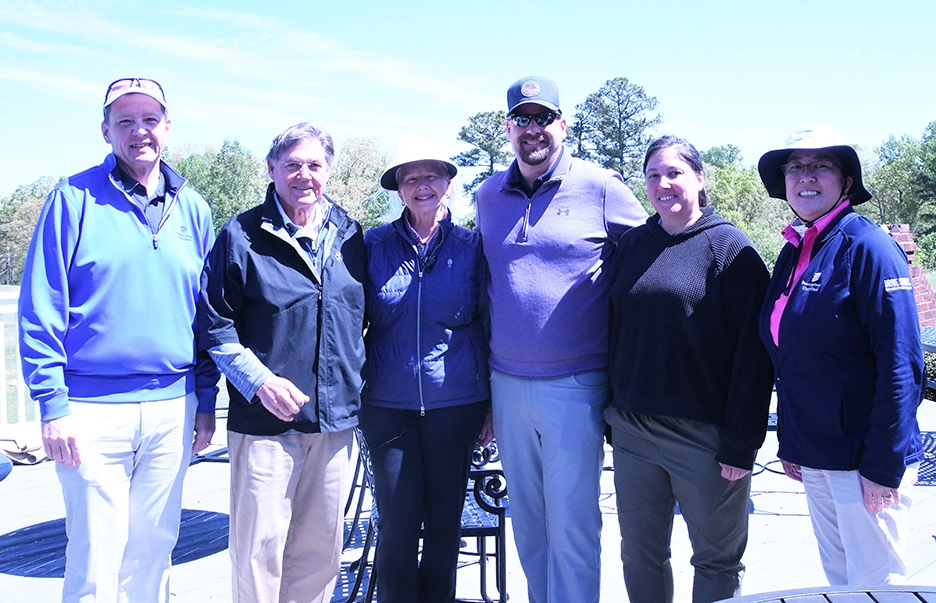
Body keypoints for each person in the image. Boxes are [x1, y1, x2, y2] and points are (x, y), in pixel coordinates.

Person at [18, 78, 218, 602]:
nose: (139, 131)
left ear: (167, 128)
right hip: (88, 409)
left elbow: (206, 313)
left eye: (149, 119)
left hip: (173, 405)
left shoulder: (193, 207)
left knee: (154, 548)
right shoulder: (72, 197)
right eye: (124, 121)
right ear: (105, 131)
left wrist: (205, 399)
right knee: (95, 554)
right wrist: (51, 404)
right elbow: (41, 306)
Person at [475, 75, 648, 603]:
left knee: (571, 521)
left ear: (562, 125)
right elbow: (484, 286)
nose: (534, 130)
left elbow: (651, 256)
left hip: (576, 384)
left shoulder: (600, 186)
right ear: (508, 128)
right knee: (527, 521)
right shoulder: (486, 194)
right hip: (506, 384)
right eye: (522, 119)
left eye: (544, 118)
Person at [198, 122, 366, 603]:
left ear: (329, 171)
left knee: (321, 555)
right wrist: (260, 382)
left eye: (314, 165)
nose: (303, 175)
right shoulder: (241, 235)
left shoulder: (351, 235)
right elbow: (215, 328)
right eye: (292, 165)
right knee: (258, 554)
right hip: (263, 427)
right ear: (271, 169)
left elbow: (366, 321)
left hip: (334, 428)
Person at [605, 136, 774, 603]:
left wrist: (743, 443)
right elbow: (616, 331)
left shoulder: (730, 250)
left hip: (706, 438)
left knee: (716, 561)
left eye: (675, 173)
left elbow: (754, 356)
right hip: (633, 430)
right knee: (640, 555)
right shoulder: (633, 245)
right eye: (654, 175)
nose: (663, 184)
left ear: (700, 178)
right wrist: (611, 416)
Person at [757, 126, 925, 586]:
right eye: (795, 167)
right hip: (817, 456)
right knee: (840, 583)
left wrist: (883, 468)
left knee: (877, 588)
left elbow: (902, 365)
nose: (805, 177)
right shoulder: (796, 250)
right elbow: (792, 357)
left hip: (864, 462)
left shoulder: (868, 247)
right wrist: (793, 442)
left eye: (821, 166)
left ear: (847, 181)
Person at [359, 140, 493, 603]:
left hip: (456, 403)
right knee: (397, 523)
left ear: (449, 186)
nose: (422, 186)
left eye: (431, 176)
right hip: (386, 403)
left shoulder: (474, 248)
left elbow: (490, 324)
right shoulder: (372, 246)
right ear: (398, 190)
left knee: (443, 523)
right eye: (410, 178)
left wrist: (492, 406)